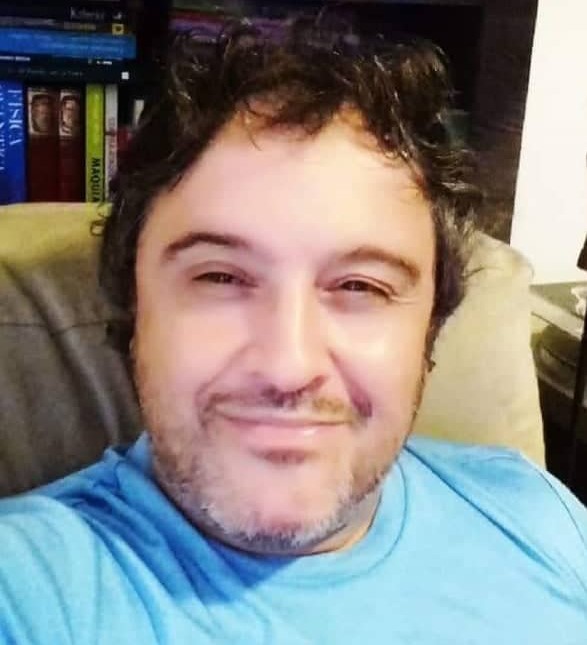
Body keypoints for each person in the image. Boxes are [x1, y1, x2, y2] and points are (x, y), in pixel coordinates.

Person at [1, 20, 586, 644]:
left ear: (430, 331)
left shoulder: (537, 511)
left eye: (360, 287)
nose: (288, 366)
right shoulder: (28, 588)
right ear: (134, 308)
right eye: (220, 277)